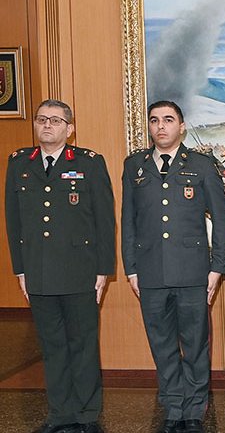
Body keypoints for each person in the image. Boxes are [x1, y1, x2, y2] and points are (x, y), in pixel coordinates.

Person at [121, 100, 225, 433]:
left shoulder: (199, 165)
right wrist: (131, 268)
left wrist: (217, 267)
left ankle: (195, 406)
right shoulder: (135, 166)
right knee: (162, 342)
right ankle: (172, 403)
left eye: (168, 120)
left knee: (195, 342)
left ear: (181, 126)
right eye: (155, 121)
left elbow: (222, 219)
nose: (161, 126)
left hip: (192, 272)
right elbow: (129, 220)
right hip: (151, 271)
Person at [5, 99, 115, 433]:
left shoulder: (89, 163)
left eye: (55, 120)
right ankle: (60, 412)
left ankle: (87, 412)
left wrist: (103, 271)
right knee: (51, 346)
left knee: (83, 344)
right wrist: (20, 270)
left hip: (80, 270)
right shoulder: (19, 163)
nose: (47, 126)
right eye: (41, 120)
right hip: (38, 271)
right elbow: (14, 220)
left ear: (70, 128)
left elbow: (104, 220)